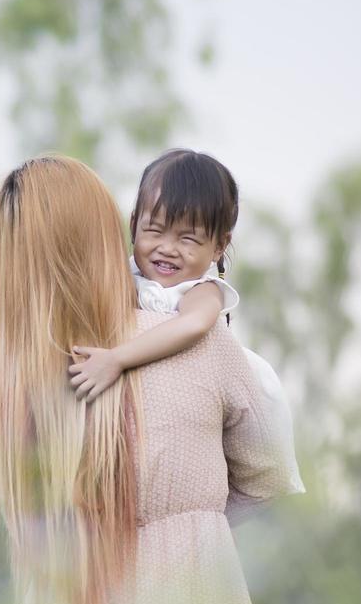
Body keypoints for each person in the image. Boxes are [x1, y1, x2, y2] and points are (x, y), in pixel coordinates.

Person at [0, 154, 305, 604]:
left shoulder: (2, 380)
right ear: (112, 232)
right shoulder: (206, 348)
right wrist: (193, 531)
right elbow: (266, 477)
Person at [67, 149, 290, 447]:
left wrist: (117, 359)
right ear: (134, 225)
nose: (167, 248)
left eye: (187, 239)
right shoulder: (122, 275)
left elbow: (195, 324)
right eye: (155, 230)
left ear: (219, 246)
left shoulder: (201, 291)